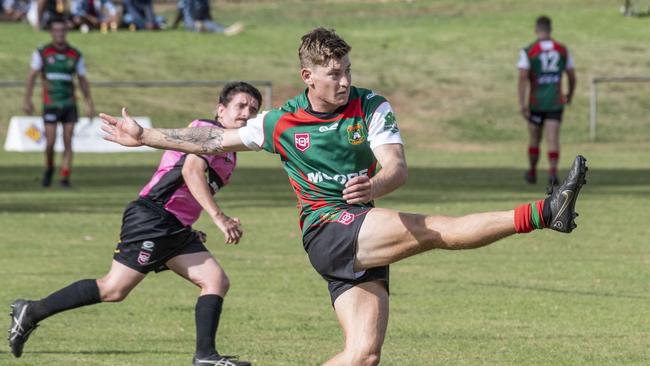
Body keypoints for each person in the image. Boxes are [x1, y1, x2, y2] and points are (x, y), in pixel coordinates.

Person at [99, 28, 588, 366]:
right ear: (308, 76)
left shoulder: (370, 105)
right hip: (328, 232)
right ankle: (546, 212)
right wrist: (144, 136)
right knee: (435, 228)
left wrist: (375, 185)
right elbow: (207, 141)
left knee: (362, 356)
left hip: (363, 225)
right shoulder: (280, 122)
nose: (345, 80)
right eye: (334, 73)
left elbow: (396, 166)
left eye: (348, 70)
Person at [9, 82, 262, 366]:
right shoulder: (205, 130)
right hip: (152, 217)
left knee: (215, 280)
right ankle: (30, 311)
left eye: (253, 110)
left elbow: (188, 191)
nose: (246, 114)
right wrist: (219, 217)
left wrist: (190, 224)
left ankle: (205, 356)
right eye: (240, 106)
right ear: (221, 109)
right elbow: (191, 171)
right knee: (113, 289)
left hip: (174, 225)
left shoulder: (231, 153)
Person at [24, 18, 94, 188]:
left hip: (69, 103)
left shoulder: (75, 54)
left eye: (62, 31)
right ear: (51, 32)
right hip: (51, 103)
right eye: (56, 31)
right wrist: (27, 100)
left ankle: (64, 177)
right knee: (49, 142)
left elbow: (82, 80)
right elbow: (32, 76)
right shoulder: (43, 52)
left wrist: (88, 102)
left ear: (66, 32)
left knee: (68, 141)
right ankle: (49, 168)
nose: (59, 34)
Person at [518, 15, 576, 186]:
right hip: (555, 102)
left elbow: (522, 78)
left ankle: (532, 171)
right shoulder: (562, 50)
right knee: (553, 137)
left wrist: (522, 103)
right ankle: (552, 173)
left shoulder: (529, 50)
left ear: (536, 29)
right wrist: (569, 95)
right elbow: (572, 76)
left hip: (536, 103)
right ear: (550, 29)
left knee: (534, 138)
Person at [171, 0, 243, 35]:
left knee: (210, 24)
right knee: (202, 24)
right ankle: (227, 31)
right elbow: (180, 12)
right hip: (191, 22)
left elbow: (207, 13)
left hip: (203, 21)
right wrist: (175, 26)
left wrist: (212, 22)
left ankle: (225, 29)